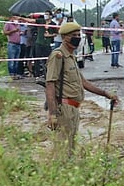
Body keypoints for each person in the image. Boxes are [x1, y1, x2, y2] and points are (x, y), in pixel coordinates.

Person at [45, 21, 119, 160]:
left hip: (74, 109)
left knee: (71, 147)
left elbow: (83, 82)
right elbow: (50, 84)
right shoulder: (58, 56)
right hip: (64, 108)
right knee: (62, 150)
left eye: (78, 34)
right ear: (65, 37)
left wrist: (105, 94)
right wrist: (52, 114)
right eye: (74, 35)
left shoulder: (71, 56)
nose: (77, 38)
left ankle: (68, 177)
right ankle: (58, 177)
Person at [3, 15, 22, 79]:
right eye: (16, 18)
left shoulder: (18, 24)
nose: (17, 19)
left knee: (16, 60)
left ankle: (15, 74)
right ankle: (11, 74)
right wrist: (14, 31)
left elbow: (18, 32)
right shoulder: (8, 24)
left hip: (18, 44)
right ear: (12, 18)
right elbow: (5, 32)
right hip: (12, 44)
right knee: (11, 60)